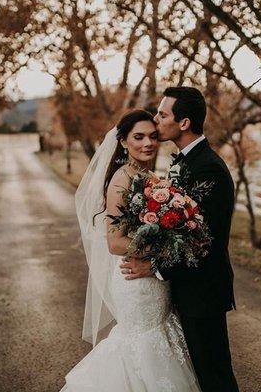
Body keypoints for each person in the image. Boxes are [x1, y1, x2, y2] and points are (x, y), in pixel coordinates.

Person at [60, 109, 201, 391]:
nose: (147, 143)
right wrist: (167, 248)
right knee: (141, 345)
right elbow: (115, 243)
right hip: (135, 282)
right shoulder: (121, 180)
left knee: (160, 338)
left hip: (155, 280)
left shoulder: (148, 175)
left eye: (152, 136)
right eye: (138, 137)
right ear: (123, 141)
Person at [120, 87, 239, 391]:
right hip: (187, 289)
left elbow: (203, 242)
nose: (156, 119)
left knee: (215, 377)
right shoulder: (185, 162)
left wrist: (155, 267)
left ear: (183, 123)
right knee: (200, 375)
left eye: (162, 114)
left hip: (203, 291)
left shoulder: (208, 169)